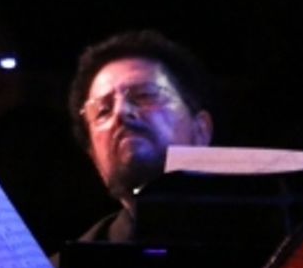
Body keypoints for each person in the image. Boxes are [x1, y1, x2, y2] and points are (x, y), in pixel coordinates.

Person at [66, 30, 216, 243]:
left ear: (201, 130)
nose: (121, 112)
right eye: (103, 110)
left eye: (144, 95)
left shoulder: (272, 244)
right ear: (93, 156)